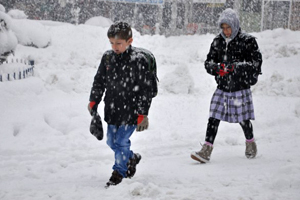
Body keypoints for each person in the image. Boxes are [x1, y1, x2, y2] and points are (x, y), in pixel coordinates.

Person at [88, 22, 157, 187]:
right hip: (112, 109)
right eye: (112, 43)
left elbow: (145, 90)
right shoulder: (107, 58)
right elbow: (99, 81)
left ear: (129, 41)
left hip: (131, 111)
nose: (115, 47)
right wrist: (94, 101)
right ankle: (130, 158)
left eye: (118, 43)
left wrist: (142, 114)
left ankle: (119, 172)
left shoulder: (138, 60)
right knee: (111, 142)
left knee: (120, 142)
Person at [191, 8, 262, 163]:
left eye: (228, 27)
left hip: (240, 87)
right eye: (223, 28)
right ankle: (206, 150)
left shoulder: (248, 41)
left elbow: (255, 64)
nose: (226, 31)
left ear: (235, 25)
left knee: (243, 119)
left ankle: (250, 143)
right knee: (213, 118)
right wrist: (216, 68)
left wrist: (235, 67)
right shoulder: (217, 41)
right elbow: (208, 62)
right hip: (223, 87)